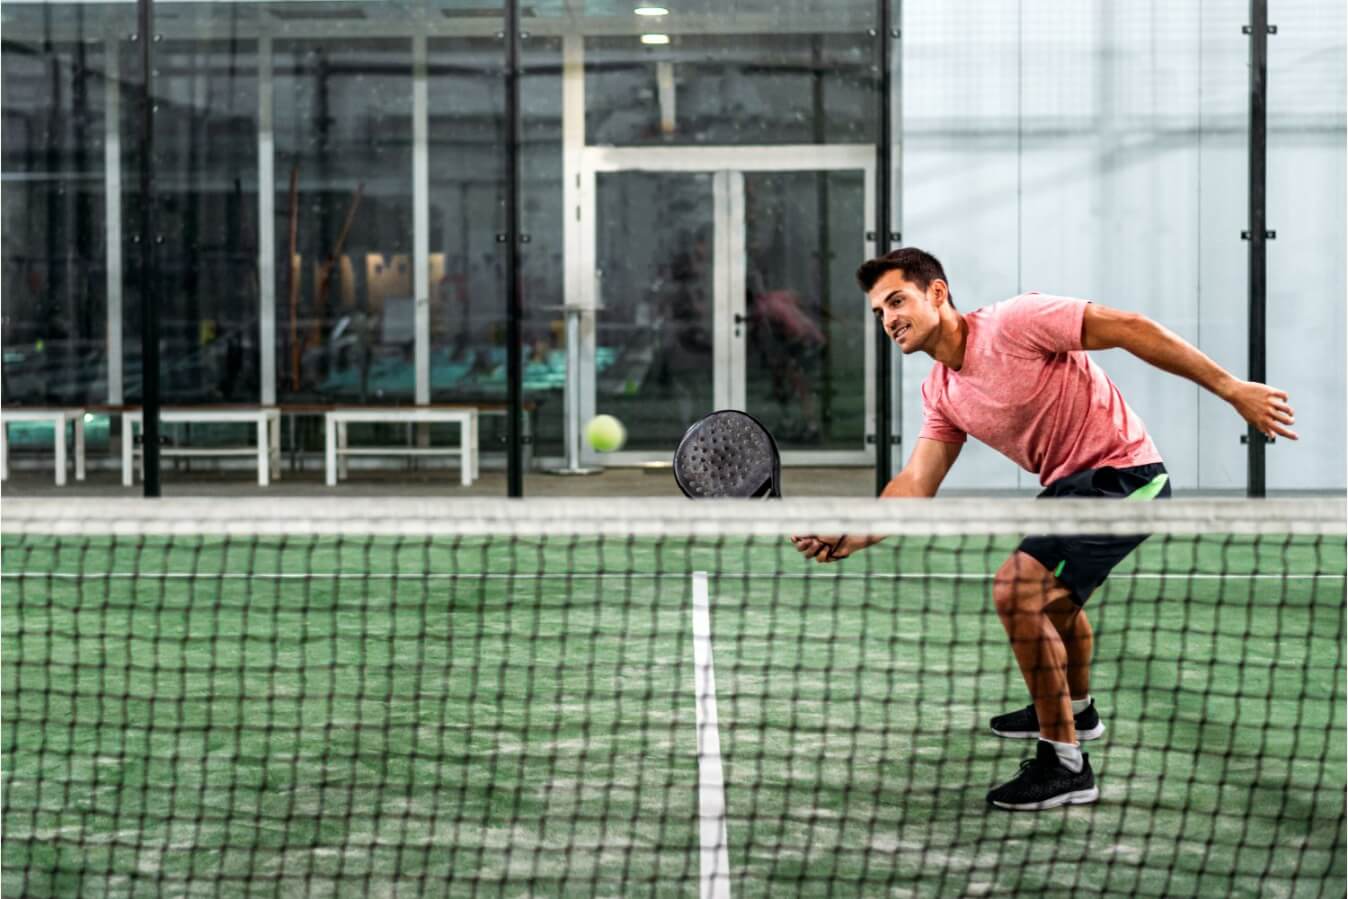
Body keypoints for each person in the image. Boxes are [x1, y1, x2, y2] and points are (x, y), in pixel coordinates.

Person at [791, 247, 1298, 812]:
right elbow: (916, 482)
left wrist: (1232, 389)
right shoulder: (942, 391)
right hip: (1068, 491)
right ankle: (1075, 709)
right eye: (878, 312)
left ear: (937, 293)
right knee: (1056, 604)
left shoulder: (1015, 322)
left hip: (1125, 477)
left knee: (1017, 589)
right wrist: (851, 532)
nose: (888, 319)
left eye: (897, 301)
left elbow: (1130, 328)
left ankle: (1065, 763)